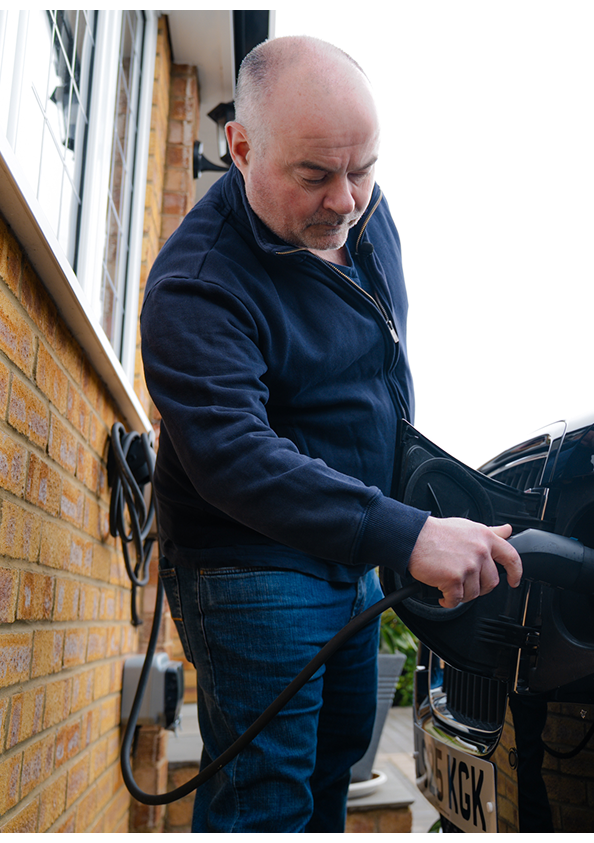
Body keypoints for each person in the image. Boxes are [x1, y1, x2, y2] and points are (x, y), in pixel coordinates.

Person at [139, 36, 521, 832]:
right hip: (251, 564)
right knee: (267, 795)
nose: (346, 201)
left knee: (332, 773)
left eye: (364, 169)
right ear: (241, 148)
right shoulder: (196, 285)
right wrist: (405, 532)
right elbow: (236, 458)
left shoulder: (368, 218)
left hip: (352, 554)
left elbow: (376, 389)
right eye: (315, 175)